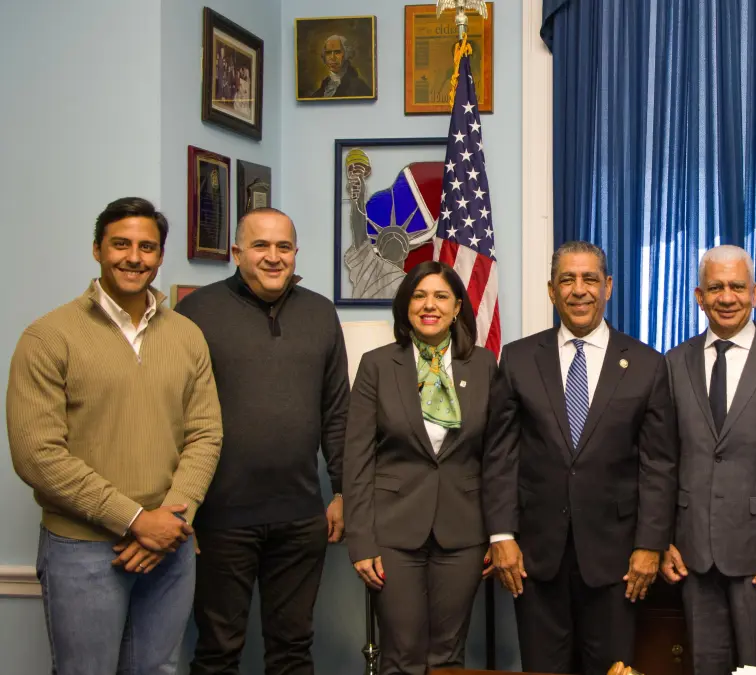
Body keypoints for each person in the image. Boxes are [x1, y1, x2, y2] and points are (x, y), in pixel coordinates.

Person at [6, 197, 222, 674]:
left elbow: (206, 434)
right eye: (121, 244)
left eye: (147, 247)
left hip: (170, 545)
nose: (134, 257)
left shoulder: (187, 335)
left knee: (159, 670)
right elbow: (37, 455)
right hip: (83, 549)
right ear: (97, 249)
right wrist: (134, 520)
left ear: (160, 256)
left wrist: (169, 519)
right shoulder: (48, 337)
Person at [483, 241, 678, 675]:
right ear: (551, 291)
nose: (579, 290)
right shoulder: (518, 359)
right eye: (567, 280)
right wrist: (501, 534)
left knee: (612, 670)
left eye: (589, 279)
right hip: (535, 558)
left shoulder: (646, 364)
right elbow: (499, 455)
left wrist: (650, 544)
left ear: (607, 286)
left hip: (617, 561)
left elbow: (659, 465)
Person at [174, 207, 349, 675]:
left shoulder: (319, 313)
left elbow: (337, 411)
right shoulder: (195, 313)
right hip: (219, 518)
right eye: (260, 245)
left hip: (299, 518)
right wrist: (179, 507)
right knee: (217, 652)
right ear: (237, 252)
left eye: (283, 246)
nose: (274, 256)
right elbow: (171, 415)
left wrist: (342, 490)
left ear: (295, 253)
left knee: (292, 652)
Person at [659, 245, 756, 675]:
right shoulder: (675, 362)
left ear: (755, 293)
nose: (726, 297)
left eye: (736, 287)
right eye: (715, 288)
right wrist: (662, 539)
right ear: (699, 296)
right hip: (692, 556)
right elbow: (662, 460)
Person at [343, 261, 496, 675]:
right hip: (393, 532)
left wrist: (497, 532)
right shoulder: (377, 365)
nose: (430, 305)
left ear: (457, 307)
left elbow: (496, 456)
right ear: (405, 305)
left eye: (441, 296)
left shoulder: (484, 365)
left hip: (464, 531)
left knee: (447, 657)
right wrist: (361, 541)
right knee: (401, 656)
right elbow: (357, 459)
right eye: (419, 295)